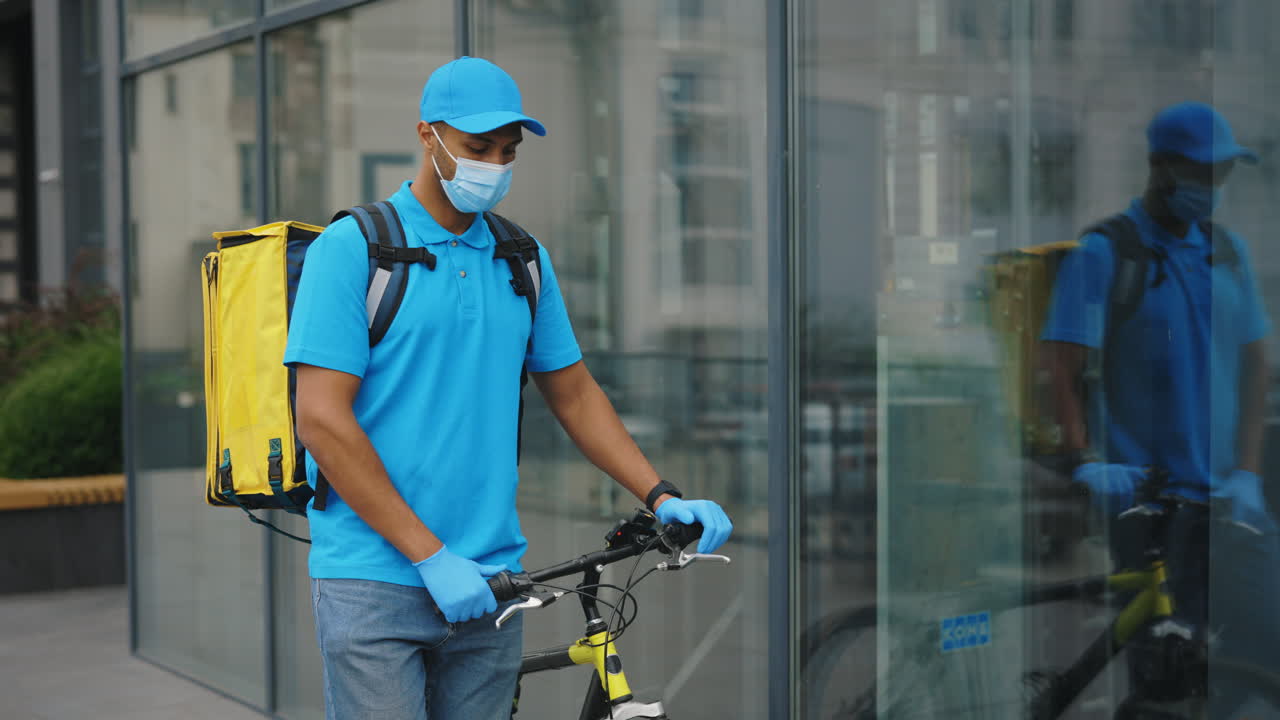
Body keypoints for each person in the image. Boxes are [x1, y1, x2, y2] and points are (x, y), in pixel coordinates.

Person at [284, 56, 733, 720]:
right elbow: (321, 420)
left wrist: (660, 494)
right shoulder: (353, 249)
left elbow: (575, 394)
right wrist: (430, 556)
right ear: (427, 134)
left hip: (493, 585)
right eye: (477, 147)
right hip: (374, 582)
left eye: (507, 151)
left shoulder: (521, 259)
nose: (493, 164)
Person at [1042, 101, 1277, 712]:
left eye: (1222, 174)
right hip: (1153, 504)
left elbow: (1256, 365)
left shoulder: (1228, 253)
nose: (1212, 187)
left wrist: (1249, 471)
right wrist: (1084, 460)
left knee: (1261, 654)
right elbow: (1060, 369)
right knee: (1168, 679)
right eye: (1201, 173)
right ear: (1161, 167)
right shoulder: (1107, 254)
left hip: (1231, 502)